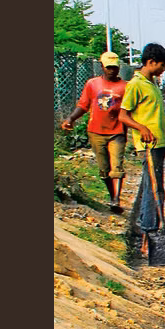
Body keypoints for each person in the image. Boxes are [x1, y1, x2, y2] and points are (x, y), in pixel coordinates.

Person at [121, 43, 165, 245]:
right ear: (151, 62)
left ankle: (152, 230)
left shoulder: (151, 83)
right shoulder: (136, 84)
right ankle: (148, 234)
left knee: (157, 187)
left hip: (159, 143)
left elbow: (151, 113)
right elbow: (123, 115)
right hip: (148, 144)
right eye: (162, 65)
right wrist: (141, 128)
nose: (163, 70)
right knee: (152, 188)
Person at [61, 50, 132, 213]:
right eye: (108, 67)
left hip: (117, 132)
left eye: (114, 67)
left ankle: (116, 199)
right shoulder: (92, 84)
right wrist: (71, 118)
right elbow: (83, 105)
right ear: (102, 67)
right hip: (96, 131)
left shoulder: (125, 87)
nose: (112, 70)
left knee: (117, 167)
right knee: (104, 169)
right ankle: (111, 194)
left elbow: (131, 109)